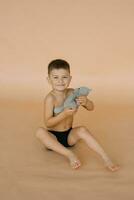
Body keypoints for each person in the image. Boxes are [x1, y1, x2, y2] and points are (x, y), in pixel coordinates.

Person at [36, 59, 120, 171]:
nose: (60, 81)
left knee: (82, 130)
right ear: (49, 80)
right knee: (40, 132)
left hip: (69, 135)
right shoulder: (50, 98)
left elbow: (91, 108)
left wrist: (86, 102)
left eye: (64, 77)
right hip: (53, 138)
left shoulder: (72, 93)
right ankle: (69, 154)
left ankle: (106, 158)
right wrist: (64, 114)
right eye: (55, 77)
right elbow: (48, 123)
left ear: (70, 78)